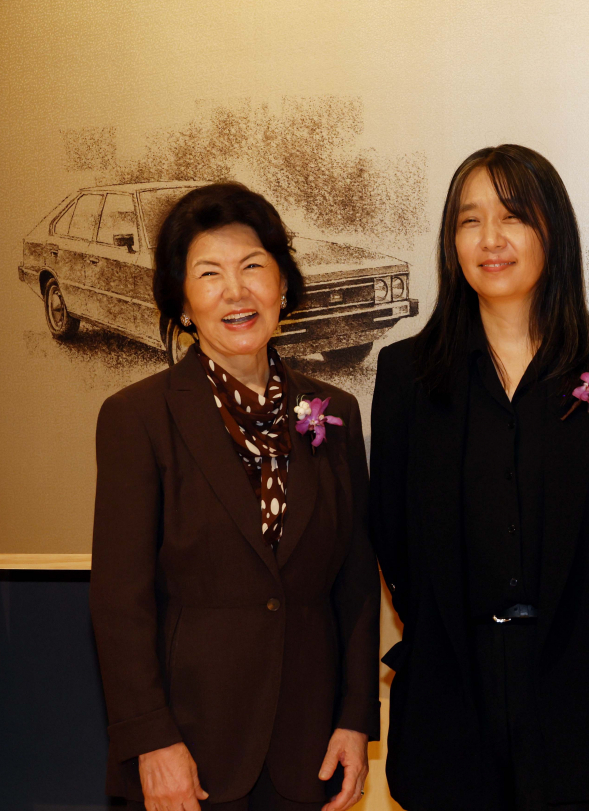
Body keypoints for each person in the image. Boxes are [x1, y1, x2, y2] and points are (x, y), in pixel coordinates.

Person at [367, 145, 589, 811]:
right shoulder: (407, 377)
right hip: (454, 684)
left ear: (551, 231)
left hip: (583, 679)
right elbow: (391, 530)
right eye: (469, 221)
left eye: (512, 217)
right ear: (451, 244)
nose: (490, 239)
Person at [90, 183, 380, 811]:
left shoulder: (335, 412)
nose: (236, 291)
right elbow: (120, 600)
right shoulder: (136, 418)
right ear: (184, 303)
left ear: (282, 287)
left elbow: (355, 578)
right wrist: (152, 741)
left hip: (308, 748)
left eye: (252, 267)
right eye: (209, 274)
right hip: (187, 753)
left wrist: (355, 719)